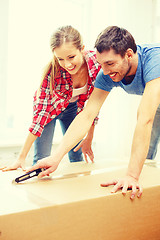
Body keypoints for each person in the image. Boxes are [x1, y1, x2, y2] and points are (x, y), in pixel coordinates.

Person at [25, 26, 160, 199]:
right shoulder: (106, 73)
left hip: (155, 97)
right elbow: (87, 115)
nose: (104, 71)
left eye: (110, 63)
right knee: (146, 159)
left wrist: (131, 176)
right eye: (101, 64)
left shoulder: (154, 60)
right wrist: (56, 157)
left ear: (128, 54)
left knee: (145, 121)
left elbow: (145, 119)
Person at [1, 25, 101, 171]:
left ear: (82, 49)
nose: (67, 64)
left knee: (76, 155)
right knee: (41, 159)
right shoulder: (52, 74)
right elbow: (39, 117)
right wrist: (21, 157)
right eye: (60, 58)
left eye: (71, 57)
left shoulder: (96, 64)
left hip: (74, 111)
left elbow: (93, 107)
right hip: (50, 111)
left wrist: (89, 137)